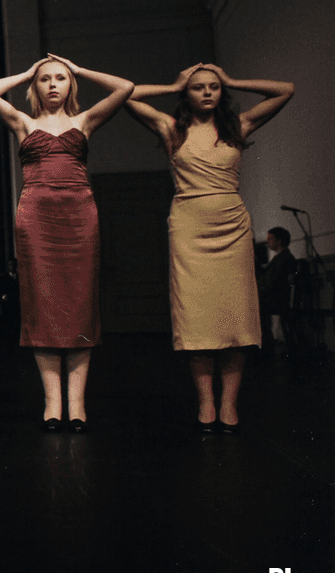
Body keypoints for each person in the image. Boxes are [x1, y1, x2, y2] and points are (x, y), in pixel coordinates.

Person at [126, 63, 294, 433]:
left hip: (231, 225)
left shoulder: (238, 126)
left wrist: (233, 79)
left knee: (235, 316)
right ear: (186, 93)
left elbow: (285, 88)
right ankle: (206, 403)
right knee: (197, 318)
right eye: (198, 87)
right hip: (189, 226)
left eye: (214, 87)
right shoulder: (172, 128)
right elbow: (125, 93)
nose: (207, 92)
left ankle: (229, 405)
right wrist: (172, 83)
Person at [0, 55, 133, 432]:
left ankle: (77, 403)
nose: (52, 84)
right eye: (45, 79)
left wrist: (80, 69)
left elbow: (125, 88)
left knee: (80, 305)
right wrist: (26, 72)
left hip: (79, 217)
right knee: (42, 305)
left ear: (70, 85)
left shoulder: (85, 121)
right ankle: (52, 402)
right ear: (35, 86)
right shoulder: (23, 122)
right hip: (36, 219)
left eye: (60, 78)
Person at [259, 226, 295, 350]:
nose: (267, 241)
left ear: (279, 241)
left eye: (270, 238)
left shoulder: (284, 258)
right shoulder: (279, 258)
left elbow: (274, 281)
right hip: (273, 297)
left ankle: (264, 344)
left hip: (277, 299)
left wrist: (258, 292)